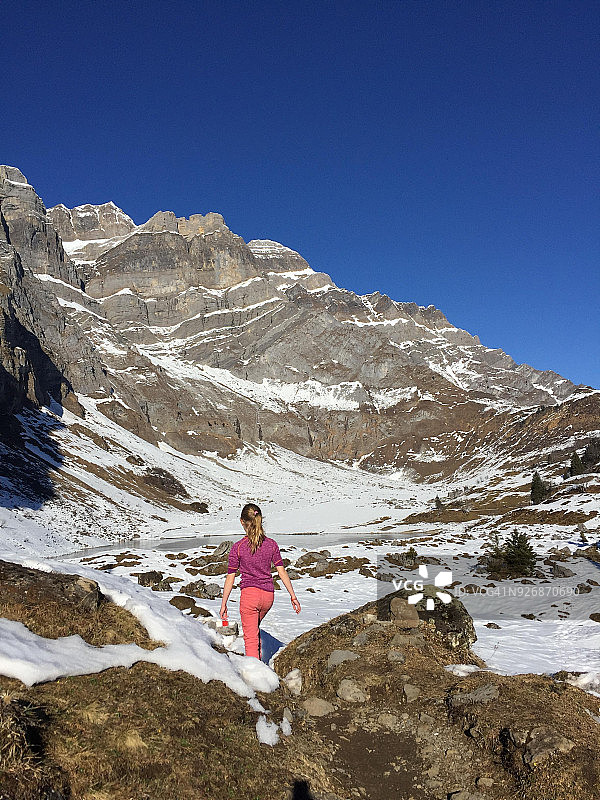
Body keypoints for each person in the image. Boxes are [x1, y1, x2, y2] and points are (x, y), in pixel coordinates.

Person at [220, 502, 300, 659]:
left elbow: (231, 577)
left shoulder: (238, 547)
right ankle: (260, 663)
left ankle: (255, 678)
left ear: (242, 522)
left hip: (250, 597)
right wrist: (293, 596)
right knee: (253, 631)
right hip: (268, 597)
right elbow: (281, 571)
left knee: (250, 639)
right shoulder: (271, 544)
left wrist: (224, 604)